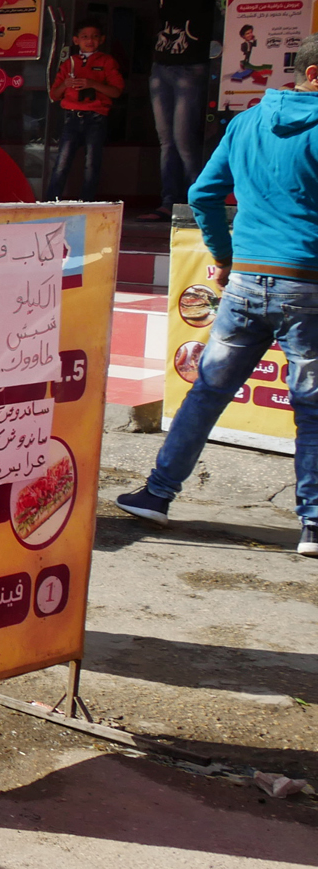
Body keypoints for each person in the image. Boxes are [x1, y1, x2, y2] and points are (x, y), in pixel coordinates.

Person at [116, 35, 318, 558]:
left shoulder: (247, 121)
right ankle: (313, 524)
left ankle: (157, 495)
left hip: (246, 282)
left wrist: (226, 258)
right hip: (308, 286)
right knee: (312, 407)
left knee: (206, 393)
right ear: (313, 74)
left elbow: (203, 193)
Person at [141, 0, 216, 220]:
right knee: (167, 140)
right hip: (161, 65)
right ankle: (169, 202)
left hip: (191, 65)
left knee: (183, 139)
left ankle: (197, 203)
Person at [45, 18, 123, 201]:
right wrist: (65, 84)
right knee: (62, 163)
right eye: (85, 37)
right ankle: (50, 202)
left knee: (92, 164)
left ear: (102, 39)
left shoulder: (107, 61)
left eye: (95, 37)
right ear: (75, 40)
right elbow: (54, 95)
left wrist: (92, 84)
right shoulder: (69, 63)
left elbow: (116, 91)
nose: (90, 40)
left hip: (96, 118)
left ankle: (87, 203)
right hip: (71, 118)